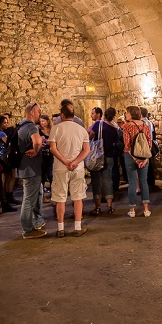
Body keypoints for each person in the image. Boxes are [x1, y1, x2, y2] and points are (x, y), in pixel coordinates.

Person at [49, 99, 91, 237]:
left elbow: (53, 149)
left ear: (62, 115)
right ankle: (77, 227)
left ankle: (60, 228)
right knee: (77, 197)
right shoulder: (82, 130)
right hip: (77, 168)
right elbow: (86, 150)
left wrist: (66, 161)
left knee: (60, 198)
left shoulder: (55, 129)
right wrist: (75, 162)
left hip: (60, 168)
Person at [16, 102, 47, 239]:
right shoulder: (31, 127)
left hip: (24, 167)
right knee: (28, 200)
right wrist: (36, 150)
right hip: (31, 169)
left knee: (33, 196)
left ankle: (35, 221)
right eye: (39, 111)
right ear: (32, 112)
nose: (40, 113)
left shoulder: (20, 126)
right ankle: (27, 229)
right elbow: (38, 141)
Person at [121, 106, 152, 218]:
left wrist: (135, 159)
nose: (126, 114)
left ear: (131, 114)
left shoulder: (126, 126)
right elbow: (149, 143)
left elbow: (127, 145)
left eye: (127, 112)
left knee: (132, 182)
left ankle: (132, 209)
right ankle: (146, 209)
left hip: (130, 157)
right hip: (144, 156)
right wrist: (145, 159)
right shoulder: (145, 125)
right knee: (143, 182)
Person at [88, 107, 119, 215]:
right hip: (109, 156)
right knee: (107, 180)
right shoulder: (115, 127)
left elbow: (90, 136)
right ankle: (109, 206)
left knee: (96, 181)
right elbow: (115, 141)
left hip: (98, 156)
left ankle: (98, 207)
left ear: (104, 115)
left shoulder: (98, 124)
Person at [0, 115, 19, 206]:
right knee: (11, 176)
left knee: (5, 177)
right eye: (4, 123)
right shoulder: (2, 134)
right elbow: (8, 143)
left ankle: (5, 196)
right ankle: (8, 195)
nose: (6, 124)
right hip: (6, 157)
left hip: (1, 156)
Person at [140, 107, 157, 189]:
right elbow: (153, 134)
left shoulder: (141, 123)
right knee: (150, 164)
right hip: (150, 145)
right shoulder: (150, 122)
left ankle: (145, 184)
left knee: (145, 164)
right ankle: (151, 182)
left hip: (144, 145)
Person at [38, 114, 54, 198]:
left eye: (43, 121)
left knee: (51, 174)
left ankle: (53, 194)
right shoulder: (38, 130)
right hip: (42, 155)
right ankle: (42, 196)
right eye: (40, 121)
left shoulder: (52, 130)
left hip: (50, 154)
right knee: (42, 174)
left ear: (47, 121)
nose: (42, 123)